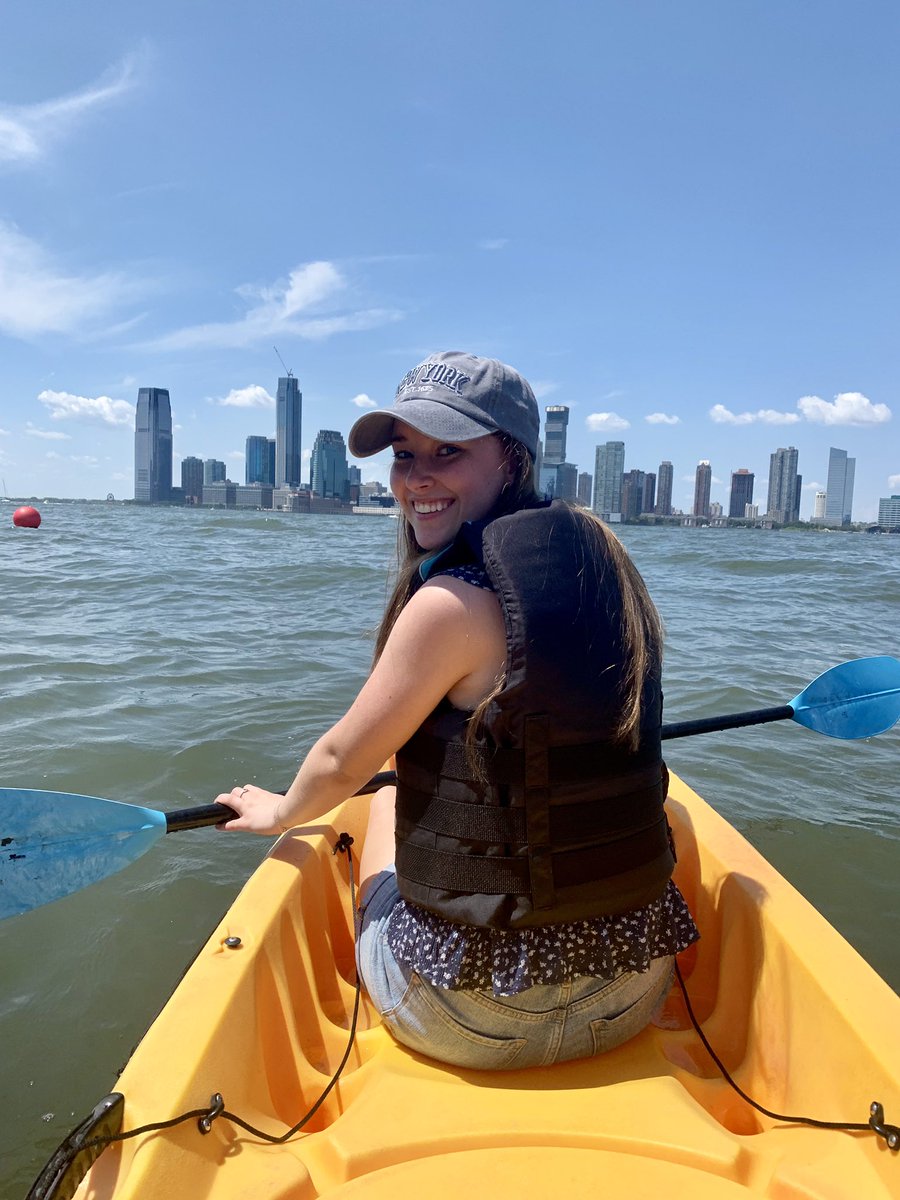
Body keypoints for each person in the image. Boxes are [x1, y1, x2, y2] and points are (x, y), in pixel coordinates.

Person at [215, 351, 698, 1070]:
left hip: (472, 1017)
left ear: (513, 459)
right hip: (632, 991)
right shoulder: (608, 561)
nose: (416, 478)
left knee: (383, 777)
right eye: (405, 455)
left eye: (449, 452)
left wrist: (283, 812)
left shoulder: (448, 603)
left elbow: (341, 759)